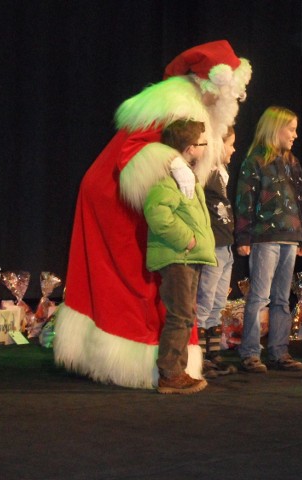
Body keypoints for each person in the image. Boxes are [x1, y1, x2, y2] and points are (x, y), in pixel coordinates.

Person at [54, 40, 252, 389]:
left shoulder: (193, 113)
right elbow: (133, 154)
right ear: (212, 86)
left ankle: (144, 362)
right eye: (231, 92)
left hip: (137, 204)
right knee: (137, 285)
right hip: (116, 199)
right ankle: (149, 365)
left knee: (167, 298)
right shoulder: (175, 108)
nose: (234, 101)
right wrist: (175, 167)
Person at [144, 119, 215, 394]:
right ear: (189, 148)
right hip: (177, 257)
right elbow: (158, 214)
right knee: (180, 315)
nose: (205, 148)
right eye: (202, 144)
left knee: (185, 315)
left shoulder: (185, 174)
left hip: (187, 257)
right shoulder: (168, 177)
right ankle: (170, 373)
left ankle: (177, 371)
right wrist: (188, 239)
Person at [235, 106, 302, 373]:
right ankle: (251, 352)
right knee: (260, 296)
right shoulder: (255, 161)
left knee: (281, 298)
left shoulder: (293, 163)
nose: (295, 134)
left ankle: (279, 351)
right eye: (291, 128)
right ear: (275, 129)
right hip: (265, 238)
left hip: (290, 237)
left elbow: (301, 200)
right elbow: (245, 201)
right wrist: (243, 236)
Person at [197, 126, 238, 378]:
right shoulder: (205, 174)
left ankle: (213, 354)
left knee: (218, 302)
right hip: (212, 245)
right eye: (230, 144)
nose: (234, 149)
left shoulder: (222, 173)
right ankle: (198, 356)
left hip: (225, 245)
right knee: (204, 300)